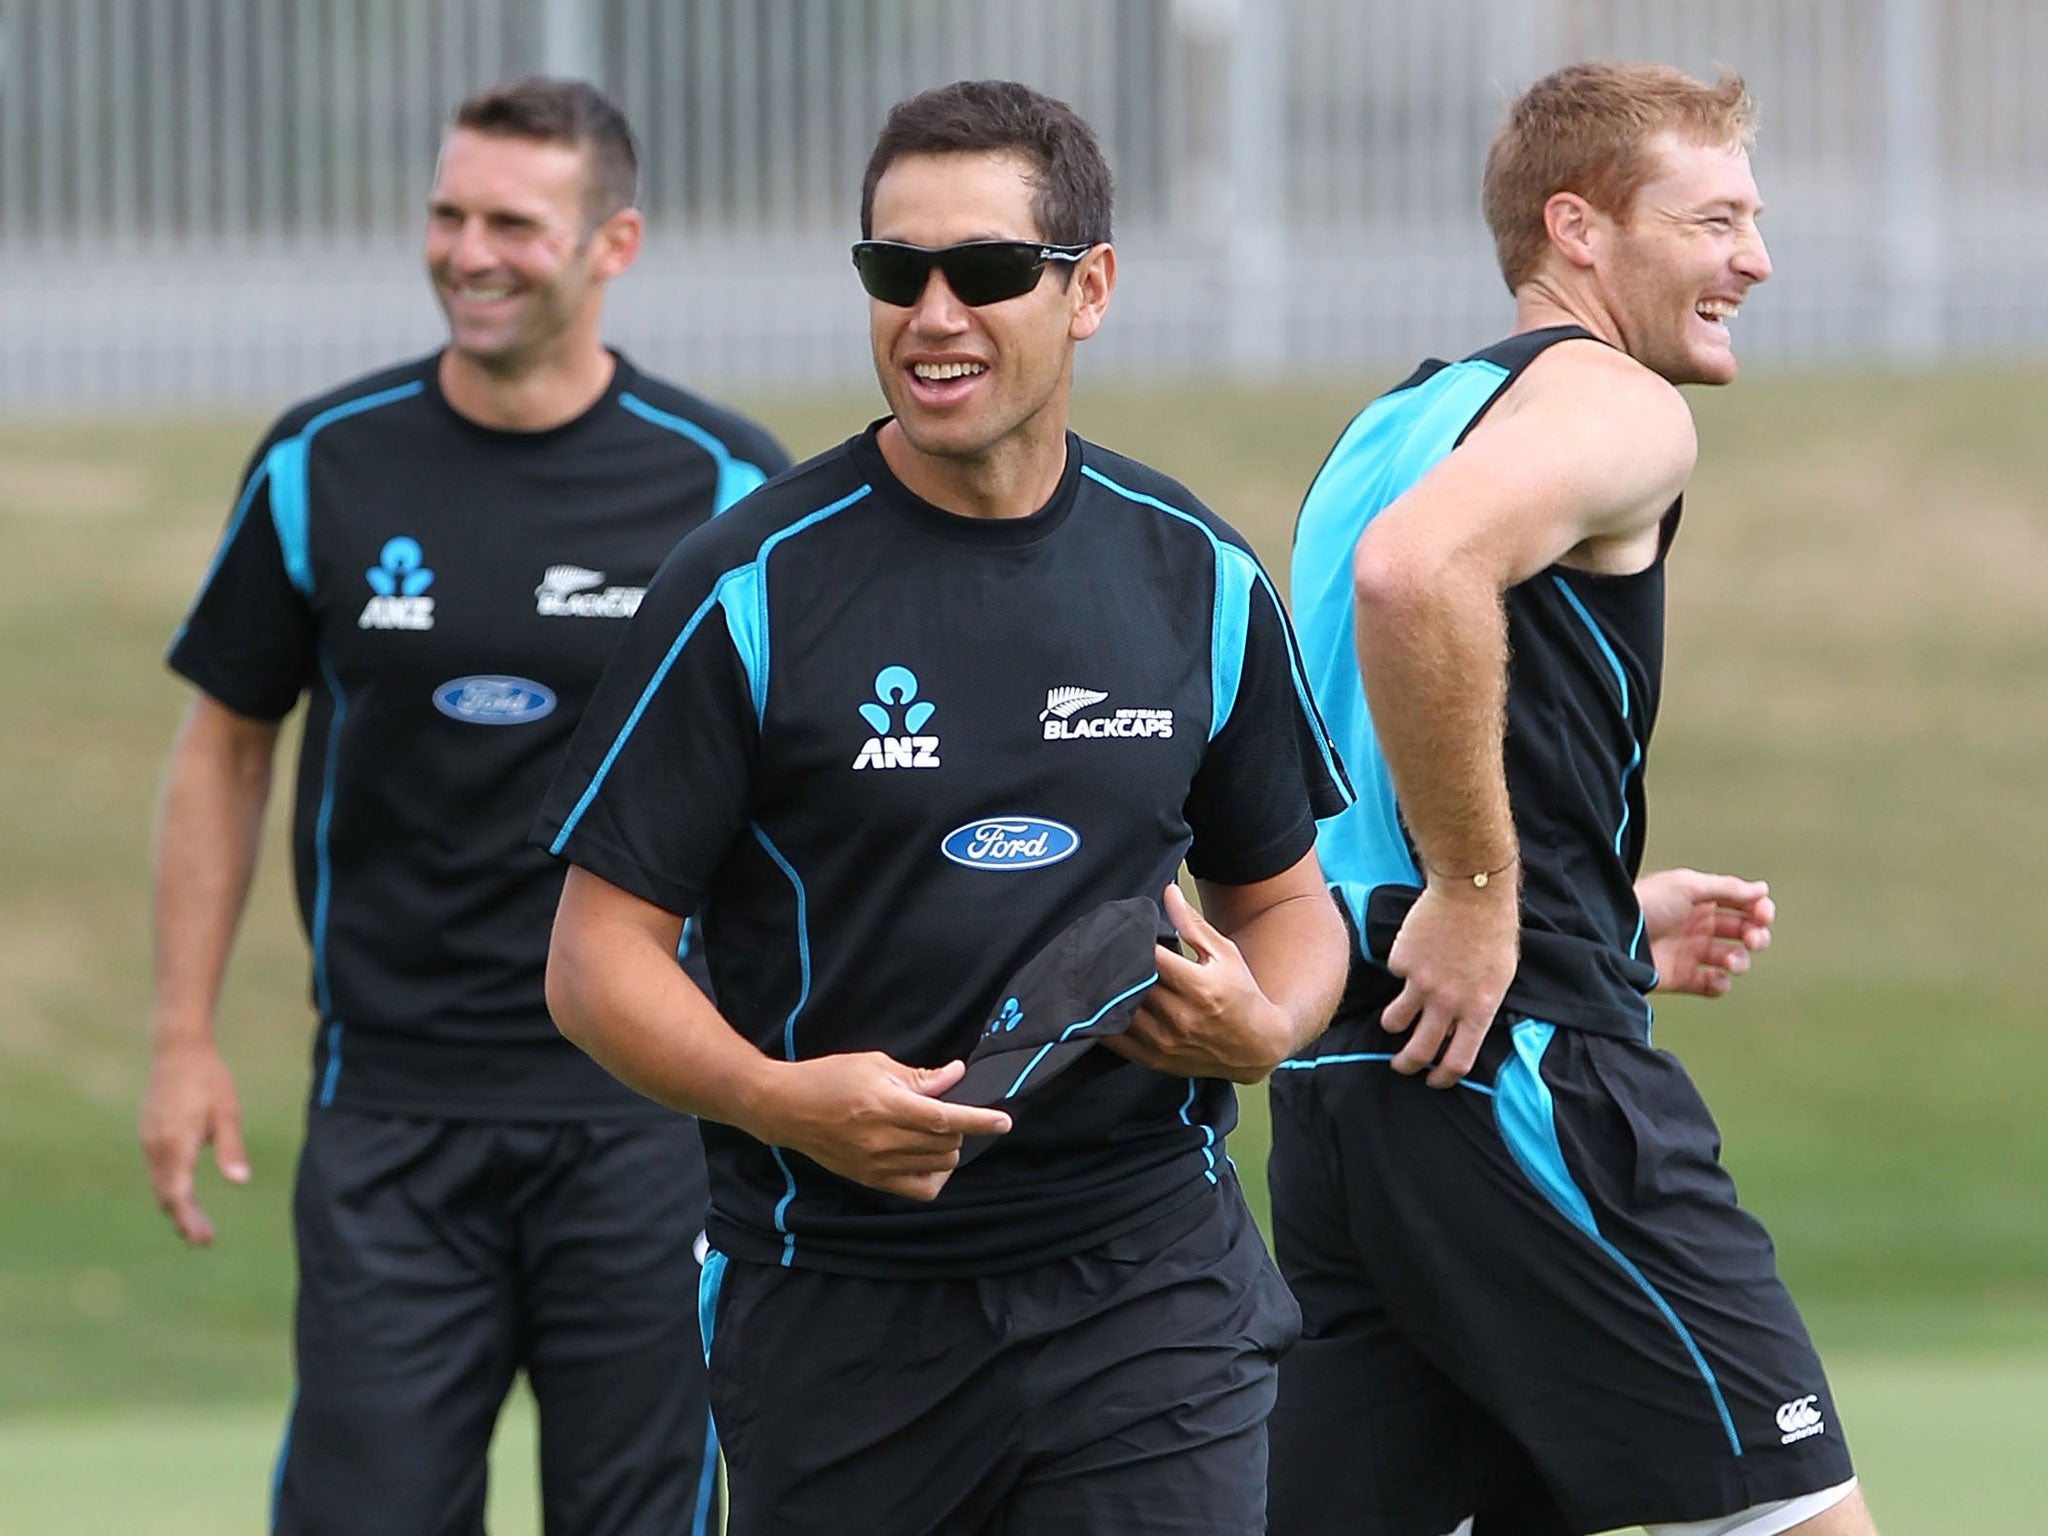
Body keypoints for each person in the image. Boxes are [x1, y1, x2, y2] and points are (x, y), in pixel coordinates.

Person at [537, 78, 1353, 1536]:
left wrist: (1268, 1022)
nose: (932, 312)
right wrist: (784, 1103)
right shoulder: (747, 588)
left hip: (1148, 1291)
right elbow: (594, 963)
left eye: (982, 271)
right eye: (892, 270)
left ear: (1088, 288)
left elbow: (1289, 903)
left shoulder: (1196, 576)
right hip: (836, 1307)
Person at [139, 77, 788, 1536]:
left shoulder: (726, 484)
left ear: (613, 244)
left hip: (645, 1115)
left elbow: (804, 799)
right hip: (390, 1111)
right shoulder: (325, 461)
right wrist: (182, 1040)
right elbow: (226, 747)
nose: (468, 251)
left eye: (513, 221)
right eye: (447, 213)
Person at [1267, 62, 1877, 1536]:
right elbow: (1421, 578)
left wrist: (1587, 904)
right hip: (1511, 1067)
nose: (1757, 258)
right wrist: (1488, 906)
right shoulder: (1619, 406)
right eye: (1716, 217)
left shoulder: (1390, 421)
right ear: (1579, 229)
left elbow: (1361, 730)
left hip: (1343, 1099)